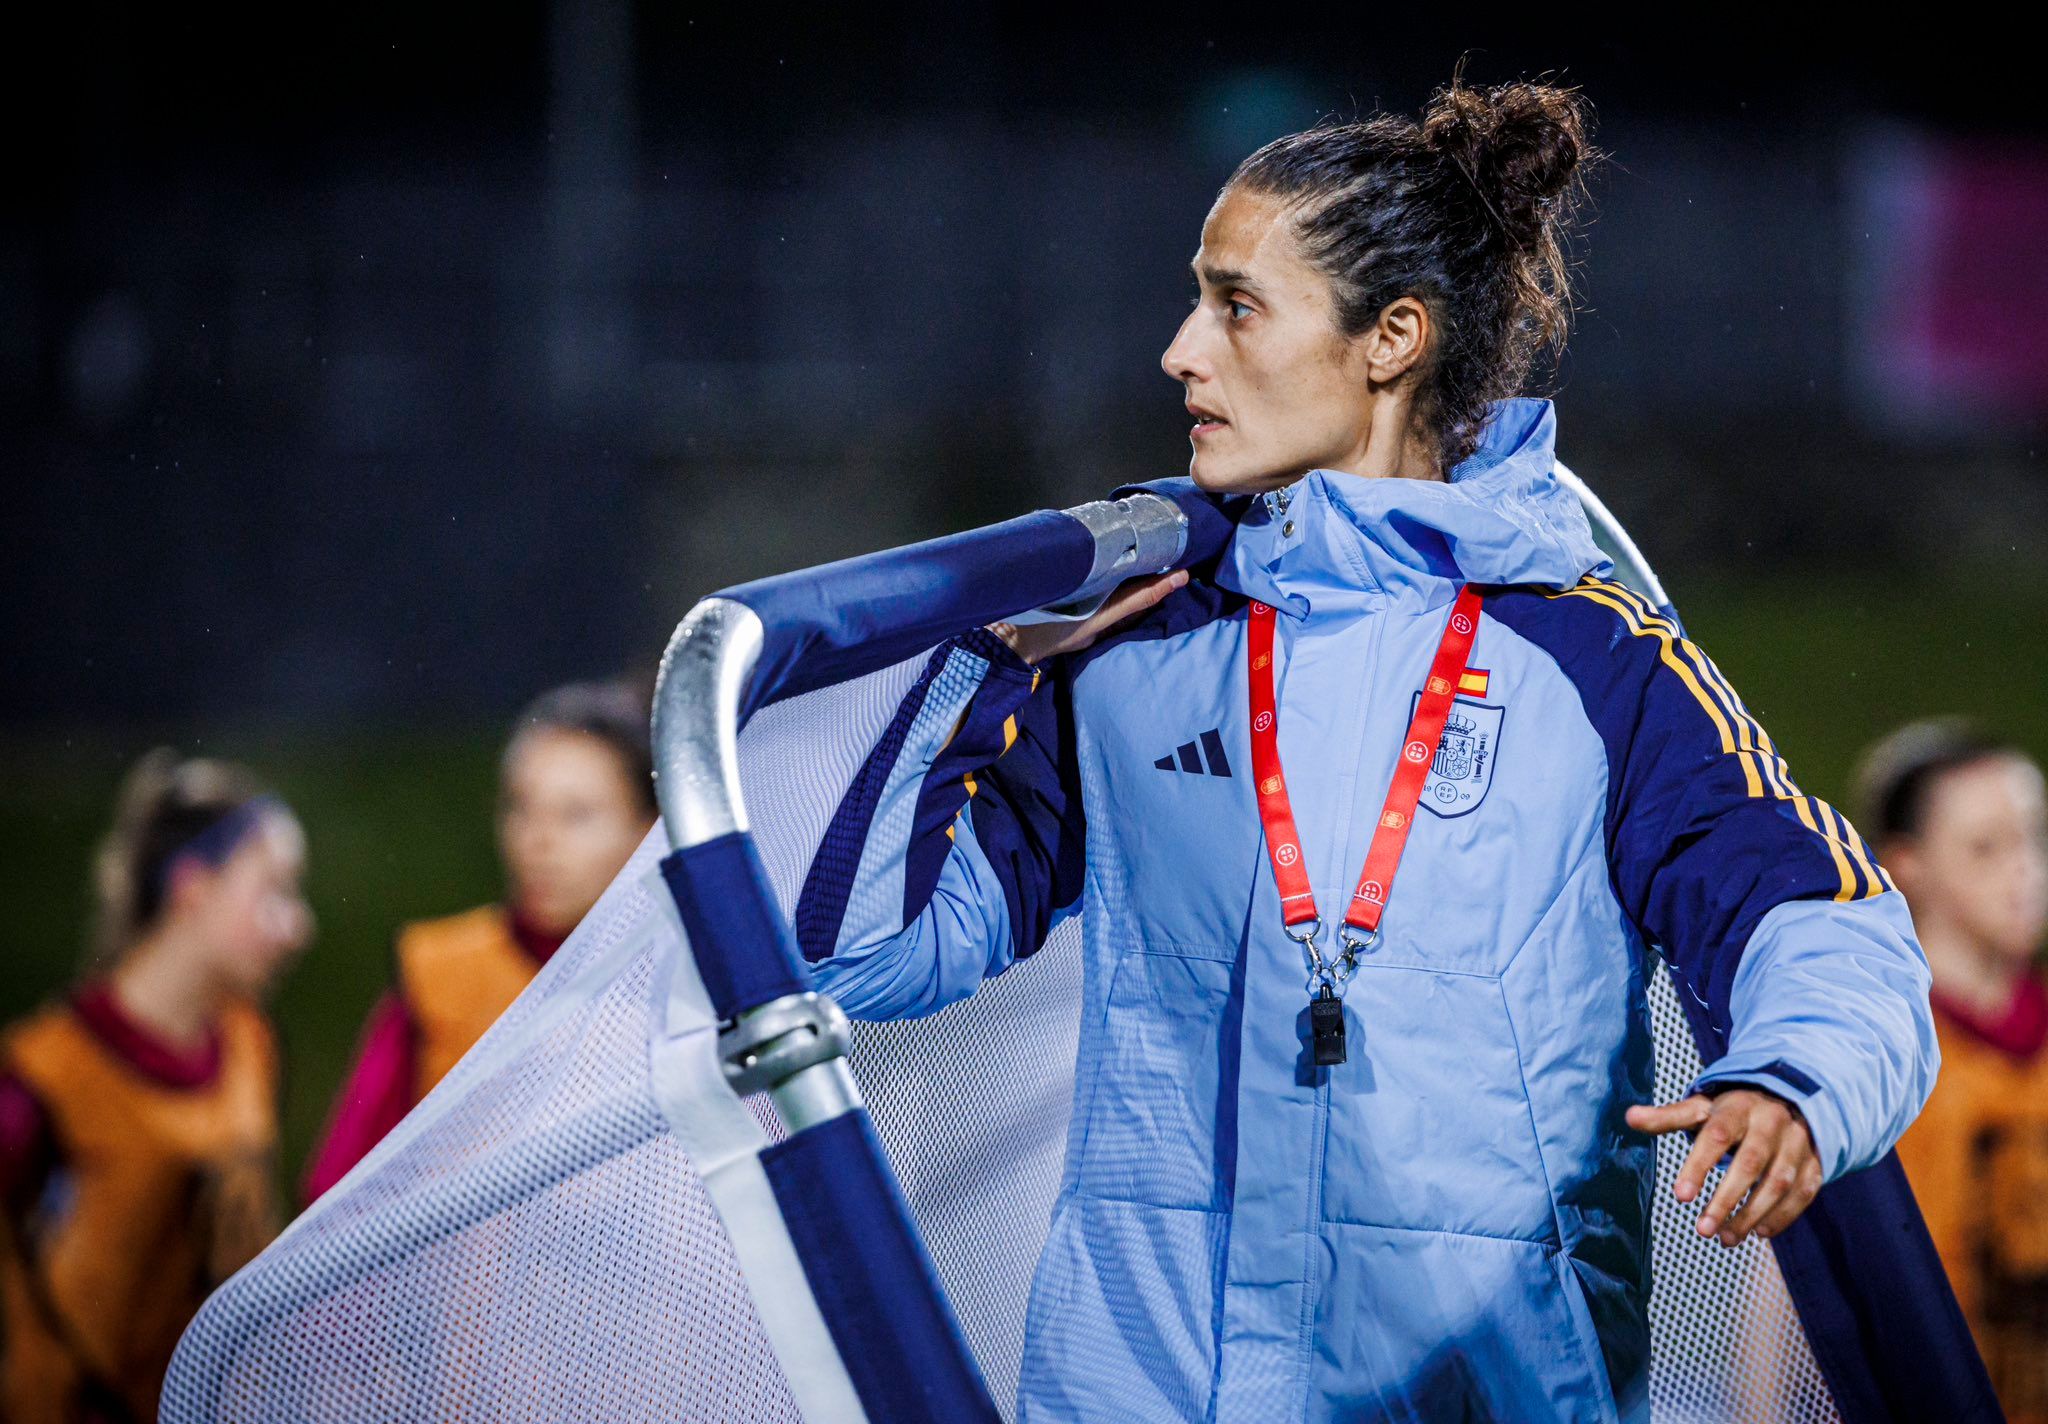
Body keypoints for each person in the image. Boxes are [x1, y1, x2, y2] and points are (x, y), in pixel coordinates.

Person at [791, 75, 1939, 1421]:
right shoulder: (1128, 650)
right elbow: (866, 952)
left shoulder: (1592, 659)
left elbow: (1826, 921)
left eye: (1235, 304)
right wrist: (980, 663)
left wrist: (1797, 1084)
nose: (1179, 351)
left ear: (1392, 337)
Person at [0, 751, 311, 1424]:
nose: (298, 926)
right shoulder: (45, 1083)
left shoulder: (249, 1043)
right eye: (275, 891)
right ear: (193, 891)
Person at [302, 679, 656, 1202]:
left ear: (649, 831)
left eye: (576, 814)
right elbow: (338, 1196)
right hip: (452, 1285)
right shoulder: (439, 977)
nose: (539, 840)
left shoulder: (687, 981)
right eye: (520, 807)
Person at [1873, 722, 2048, 1422]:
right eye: (1986, 847)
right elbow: (1785, 1302)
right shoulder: (1875, 1063)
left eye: (2035, 836)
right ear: (1907, 865)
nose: (2026, 870)